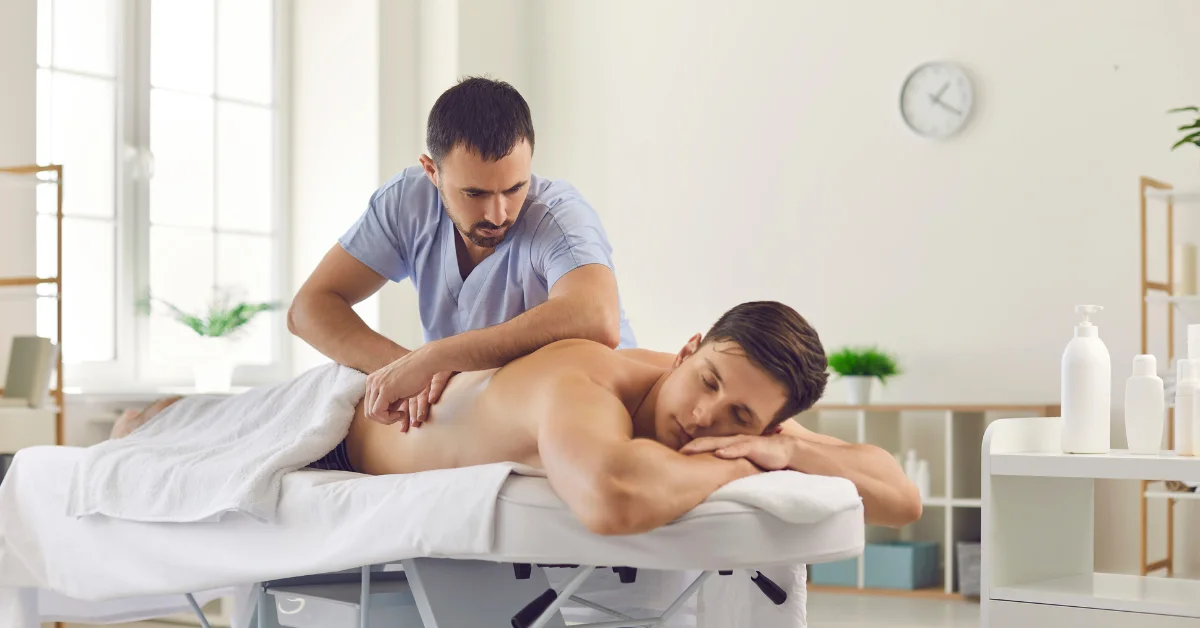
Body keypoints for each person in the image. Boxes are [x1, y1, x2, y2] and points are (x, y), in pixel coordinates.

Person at [114, 301, 922, 533]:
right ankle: (151, 413)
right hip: (337, 430)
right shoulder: (581, 382)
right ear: (687, 348)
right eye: (706, 381)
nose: (704, 414)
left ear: (772, 416)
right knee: (148, 436)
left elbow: (899, 494)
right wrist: (741, 457)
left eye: (740, 413)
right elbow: (612, 499)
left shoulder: (754, 419)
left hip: (378, 436)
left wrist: (780, 447)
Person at [288, 76, 635, 432]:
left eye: (515, 188)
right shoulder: (408, 203)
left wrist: (439, 355)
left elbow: (596, 318)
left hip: (598, 409)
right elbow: (308, 309)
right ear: (431, 172)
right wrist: (405, 366)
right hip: (491, 414)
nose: (498, 214)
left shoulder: (559, 215)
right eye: (475, 193)